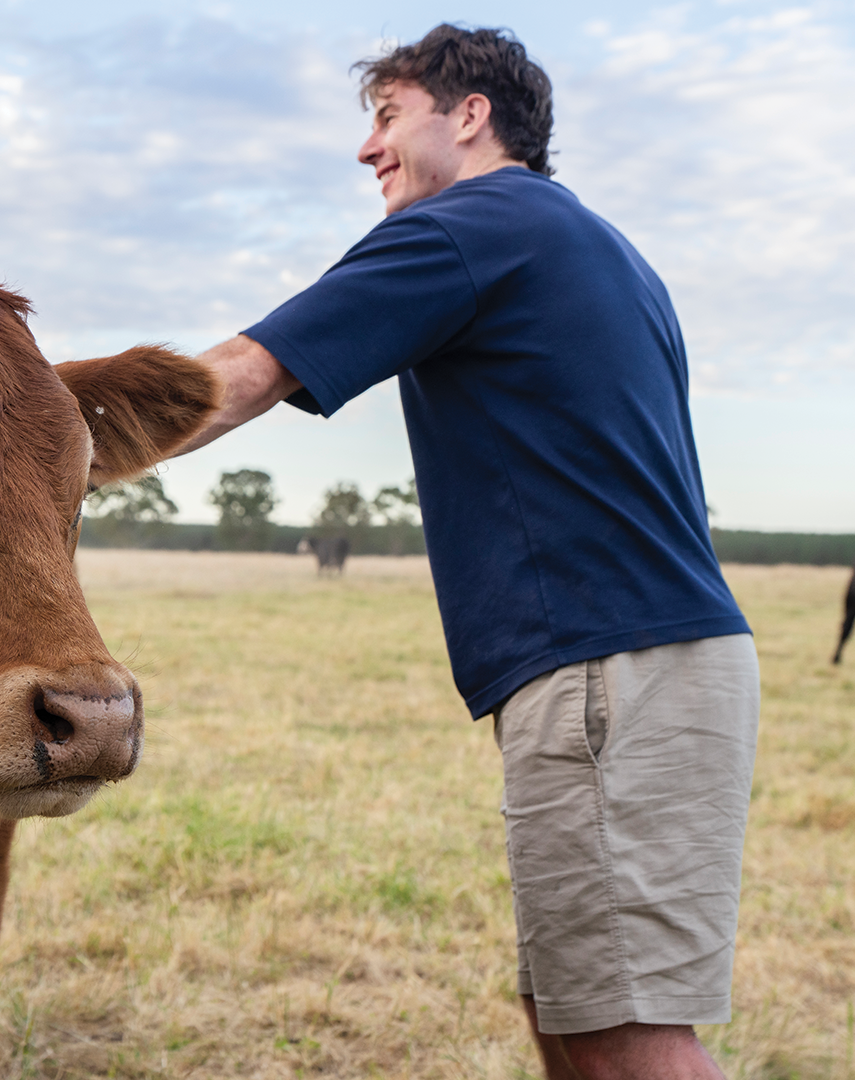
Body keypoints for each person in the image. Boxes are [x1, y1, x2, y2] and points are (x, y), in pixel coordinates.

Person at [175, 25, 760, 1080]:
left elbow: (248, 370)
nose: (368, 148)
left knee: (626, 1042)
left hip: (607, 670)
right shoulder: (596, 245)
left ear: (471, 115)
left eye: (388, 115)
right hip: (637, 662)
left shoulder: (472, 224)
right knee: (573, 1018)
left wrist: (26, 440)